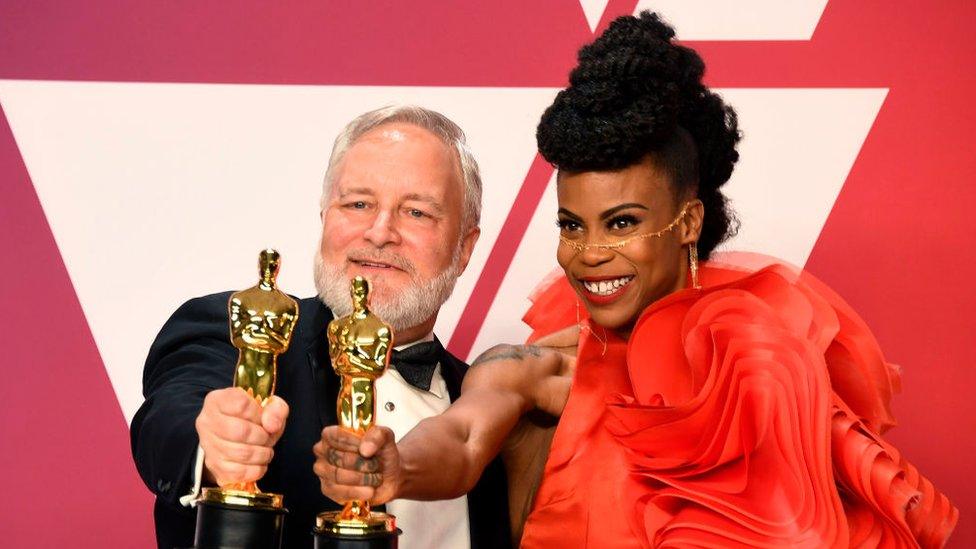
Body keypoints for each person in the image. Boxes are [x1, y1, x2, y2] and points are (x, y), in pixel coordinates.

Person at [316, 12, 957, 548]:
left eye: (621, 223)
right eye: (572, 225)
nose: (590, 253)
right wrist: (395, 465)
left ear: (688, 221)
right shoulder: (534, 368)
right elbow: (459, 440)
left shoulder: (768, 367)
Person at [130, 105, 511, 549]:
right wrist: (211, 446)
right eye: (358, 204)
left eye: (416, 213)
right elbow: (171, 415)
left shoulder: (493, 407)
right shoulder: (240, 329)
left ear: (464, 247)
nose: (379, 232)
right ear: (324, 218)